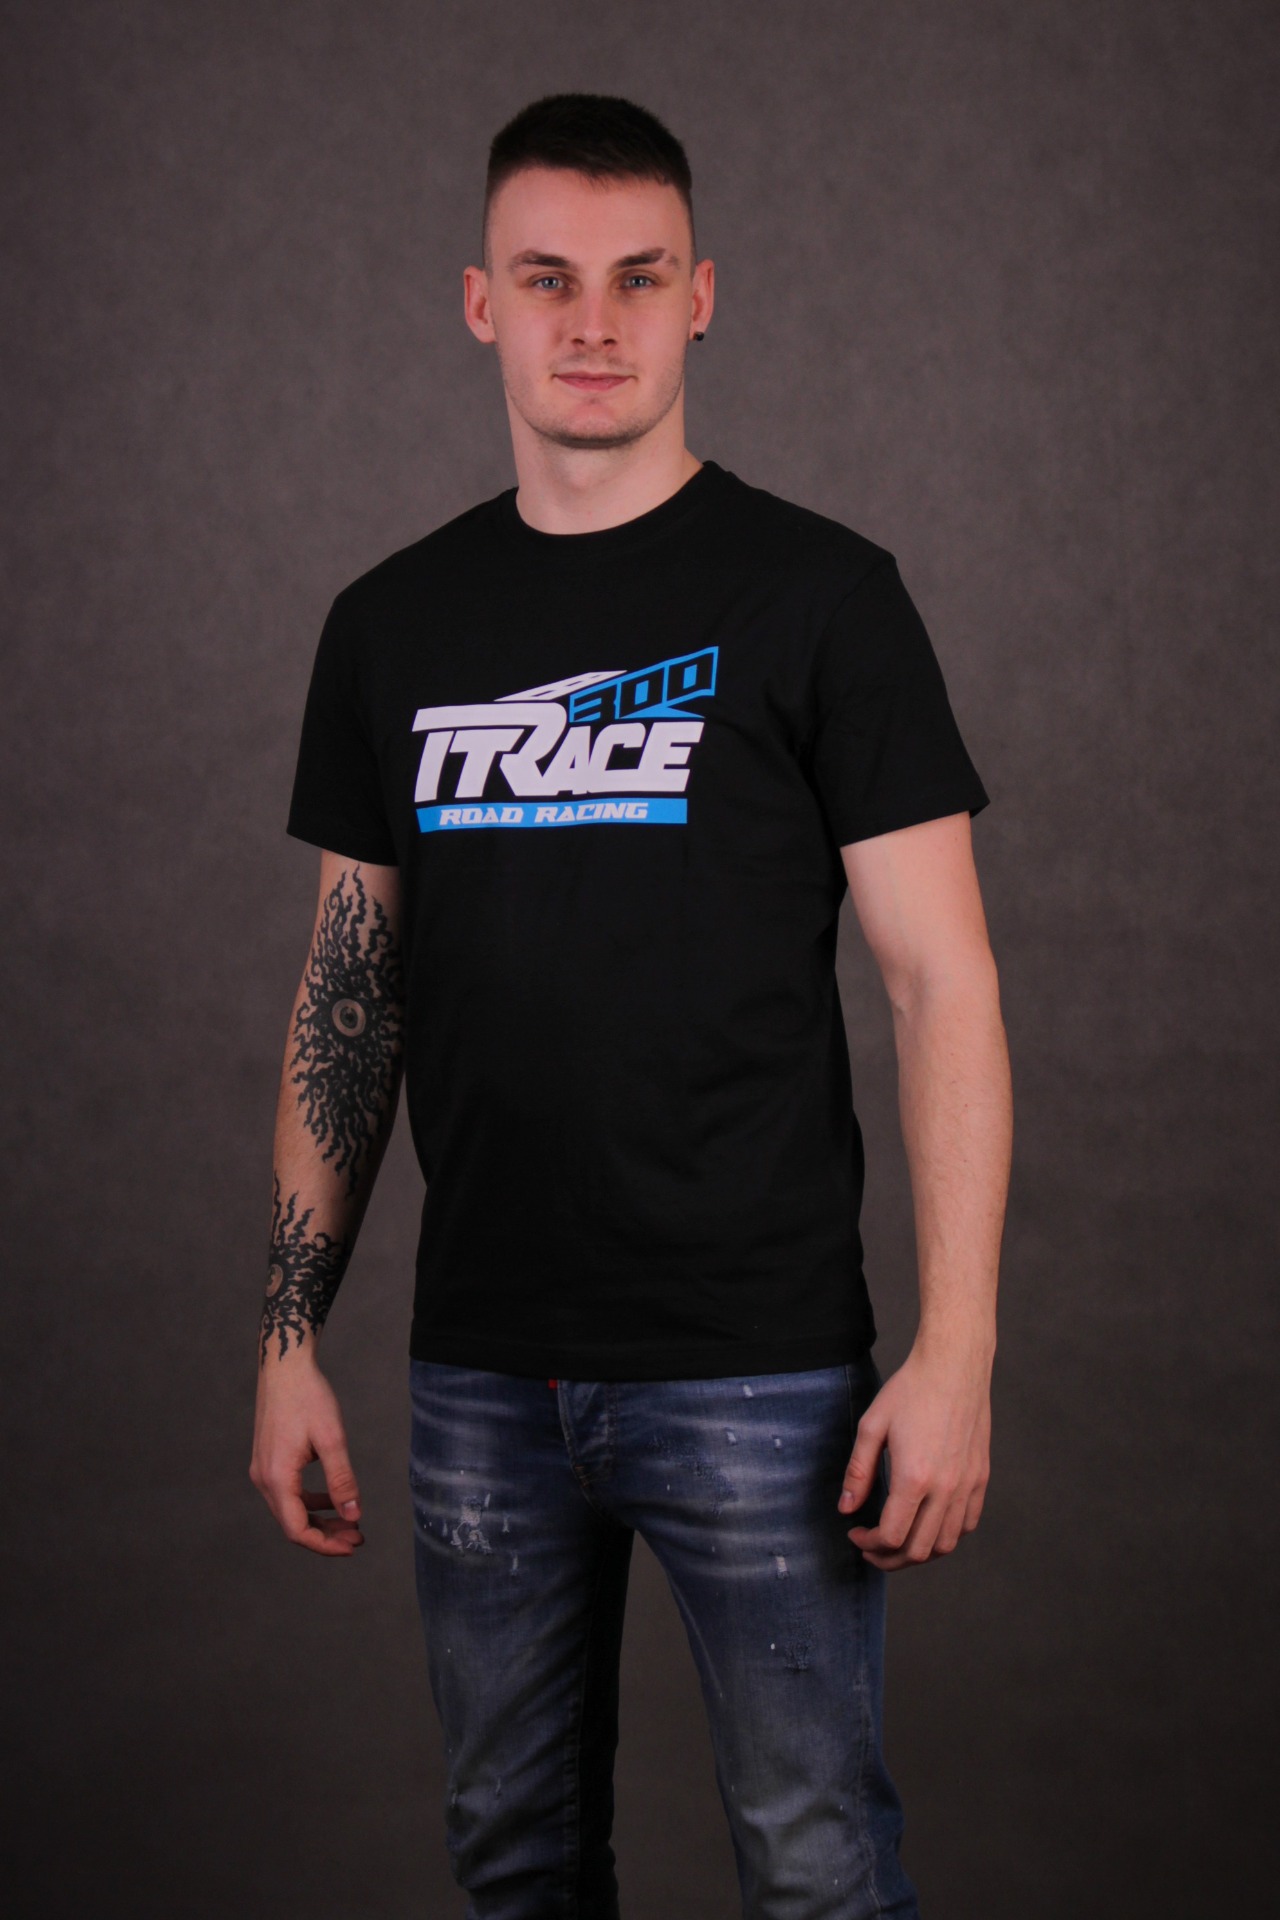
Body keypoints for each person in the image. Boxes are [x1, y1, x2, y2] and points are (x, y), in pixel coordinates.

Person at [249, 89, 1012, 1920]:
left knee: (817, 1872)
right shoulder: (391, 624)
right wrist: (286, 1338)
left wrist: (960, 1353)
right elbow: (348, 992)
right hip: (481, 1375)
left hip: (760, 1370)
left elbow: (944, 981)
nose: (593, 322)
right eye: (548, 278)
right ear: (480, 305)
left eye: (637, 277)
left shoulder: (824, 597)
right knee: (514, 1866)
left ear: (702, 298)